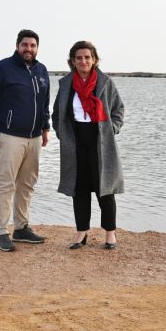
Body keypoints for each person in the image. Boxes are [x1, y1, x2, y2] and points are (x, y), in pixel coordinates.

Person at [0, 29, 51, 252]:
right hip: (8, 137)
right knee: (5, 185)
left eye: (32, 45)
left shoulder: (41, 70)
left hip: (35, 137)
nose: (28, 49)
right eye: (25, 45)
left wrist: (46, 127)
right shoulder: (2, 68)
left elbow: (45, 101)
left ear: (37, 48)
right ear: (17, 46)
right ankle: (2, 232)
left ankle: (21, 228)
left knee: (27, 184)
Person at [52, 40, 124, 250]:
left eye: (87, 57)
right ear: (72, 62)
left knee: (105, 189)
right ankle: (81, 232)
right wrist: (61, 133)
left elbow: (119, 109)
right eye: (79, 58)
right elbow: (58, 114)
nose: (83, 61)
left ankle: (110, 234)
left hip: (101, 141)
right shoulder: (66, 84)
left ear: (94, 60)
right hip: (75, 143)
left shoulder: (105, 82)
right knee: (79, 189)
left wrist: (113, 129)